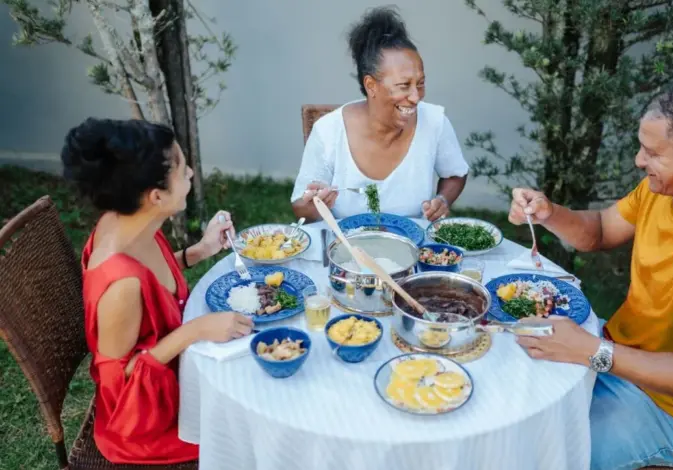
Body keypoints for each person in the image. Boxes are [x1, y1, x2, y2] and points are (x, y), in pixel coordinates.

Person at [508, 81, 673, 469]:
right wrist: (550, 212)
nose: (639, 160)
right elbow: (600, 230)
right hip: (616, 354)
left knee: (548, 458)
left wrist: (592, 352)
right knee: (509, 389)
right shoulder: (663, 188)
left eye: (651, 152)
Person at [61, 118, 254, 464]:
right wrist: (194, 331)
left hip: (176, 375)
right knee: (253, 432)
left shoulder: (127, 221)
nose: (192, 173)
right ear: (156, 195)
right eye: (182, 169)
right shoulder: (121, 285)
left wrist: (200, 250)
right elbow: (118, 382)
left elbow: (154, 281)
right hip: (149, 422)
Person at [290, 6, 469, 222]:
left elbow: (455, 173)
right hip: (346, 247)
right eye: (404, 85)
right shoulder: (329, 131)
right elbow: (301, 208)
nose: (415, 96)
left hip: (412, 246)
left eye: (420, 83)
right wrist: (314, 204)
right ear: (371, 85)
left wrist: (443, 199)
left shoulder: (435, 122)